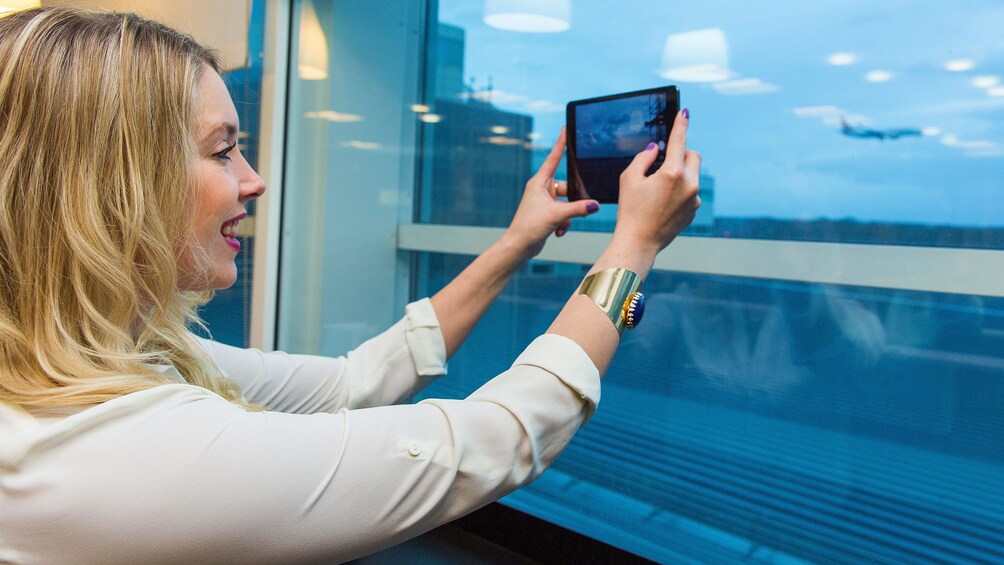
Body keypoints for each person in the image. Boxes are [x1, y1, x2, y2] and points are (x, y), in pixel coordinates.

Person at [0, 6, 700, 564]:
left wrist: (517, 241)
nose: (254, 179)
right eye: (223, 150)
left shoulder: (106, 357)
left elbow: (353, 382)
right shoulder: (105, 445)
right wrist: (634, 246)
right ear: (110, 187)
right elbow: (496, 440)